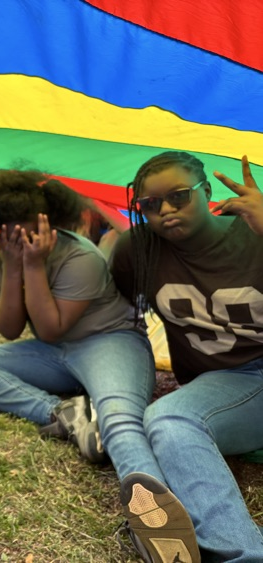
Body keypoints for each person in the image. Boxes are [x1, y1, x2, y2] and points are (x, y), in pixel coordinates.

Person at [0, 171, 159, 479]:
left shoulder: (80, 256)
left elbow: (50, 327)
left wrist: (33, 265)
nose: (23, 244)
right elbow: (8, 329)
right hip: (55, 352)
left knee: (120, 420)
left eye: (32, 234)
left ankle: (151, 500)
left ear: (50, 224)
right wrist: (11, 268)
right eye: (12, 237)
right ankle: (65, 413)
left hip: (109, 341)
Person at [110, 151, 263, 562]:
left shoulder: (253, 231)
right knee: (169, 420)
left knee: (171, 418)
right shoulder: (138, 249)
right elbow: (114, 313)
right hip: (224, 384)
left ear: (207, 191)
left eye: (179, 196)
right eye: (150, 205)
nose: (165, 211)